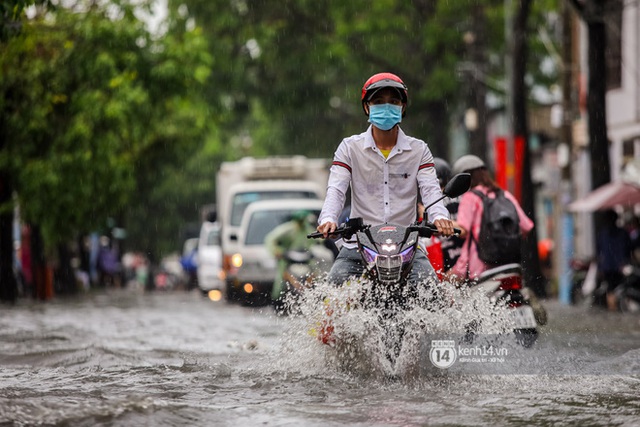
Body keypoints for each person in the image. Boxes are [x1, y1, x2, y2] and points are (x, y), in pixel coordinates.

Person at [316, 72, 455, 289]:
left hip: (408, 246)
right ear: (366, 107)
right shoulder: (349, 148)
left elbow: (431, 191)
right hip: (357, 247)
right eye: (378, 102)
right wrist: (328, 219)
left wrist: (439, 217)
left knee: (431, 290)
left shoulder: (419, 150)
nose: (386, 107)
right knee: (332, 291)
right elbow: (336, 189)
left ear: (403, 107)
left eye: (394, 101)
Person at [447, 154, 533, 282]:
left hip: (479, 268)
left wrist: (440, 222)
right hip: (509, 265)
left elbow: (462, 230)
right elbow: (526, 227)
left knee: (444, 284)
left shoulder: (470, 197)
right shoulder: (505, 195)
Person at [265, 210, 325, 304]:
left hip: (305, 259)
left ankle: (319, 295)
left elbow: (320, 240)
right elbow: (270, 239)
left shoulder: (308, 229)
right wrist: (277, 251)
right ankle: (278, 297)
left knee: (316, 270)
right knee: (281, 273)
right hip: (287, 258)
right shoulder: (287, 229)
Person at [596, 210, 632, 311]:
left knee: (611, 290)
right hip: (620, 267)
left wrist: (600, 268)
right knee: (620, 289)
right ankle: (615, 309)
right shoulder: (623, 233)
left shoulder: (602, 233)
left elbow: (599, 252)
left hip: (608, 267)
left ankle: (613, 310)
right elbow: (629, 249)